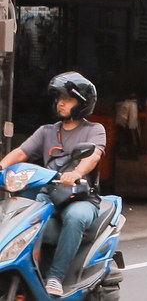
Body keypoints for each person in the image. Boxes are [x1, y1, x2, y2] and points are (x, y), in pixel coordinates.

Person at [0, 72, 105, 297]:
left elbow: (94, 155)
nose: (60, 102)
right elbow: (20, 153)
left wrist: (76, 172)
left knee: (75, 217)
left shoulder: (94, 130)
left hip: (82, 197)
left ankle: (56, 277)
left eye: (67, 98)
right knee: (20, 219)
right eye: (59, 98)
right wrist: (1, 167)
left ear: (82, 103)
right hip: (50, 194)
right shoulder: (47, 131)